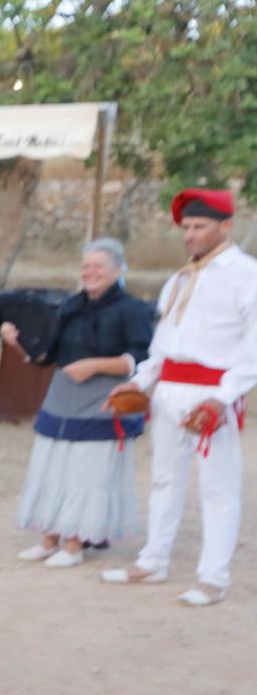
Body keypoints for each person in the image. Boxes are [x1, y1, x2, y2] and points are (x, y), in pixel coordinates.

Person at [100, 188, 257, 607]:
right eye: (185, 227)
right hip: (169, 388)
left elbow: (252, 350)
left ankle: (214, 577)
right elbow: (162, 346)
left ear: (226, 226)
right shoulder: (179, 278)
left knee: (218, 487)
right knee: (165, 479)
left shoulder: (248, 275)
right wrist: (139, 382)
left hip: (212, 392)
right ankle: (153, 560)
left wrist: (223, 399)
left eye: (199, 226)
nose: (189, 235)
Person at [4, 239, 156, 569]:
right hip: (61, 399)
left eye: (98, 266)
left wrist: (97, 365)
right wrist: (18, 344)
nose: (90, 272)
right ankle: (48, 539)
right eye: (86, 266)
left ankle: (74, 544)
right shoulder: (70, 306)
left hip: (103, 401)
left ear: (118, 270)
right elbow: (47, 355)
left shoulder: (133, 310)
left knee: (87, 474)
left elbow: (142, 358)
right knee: (51, 467)